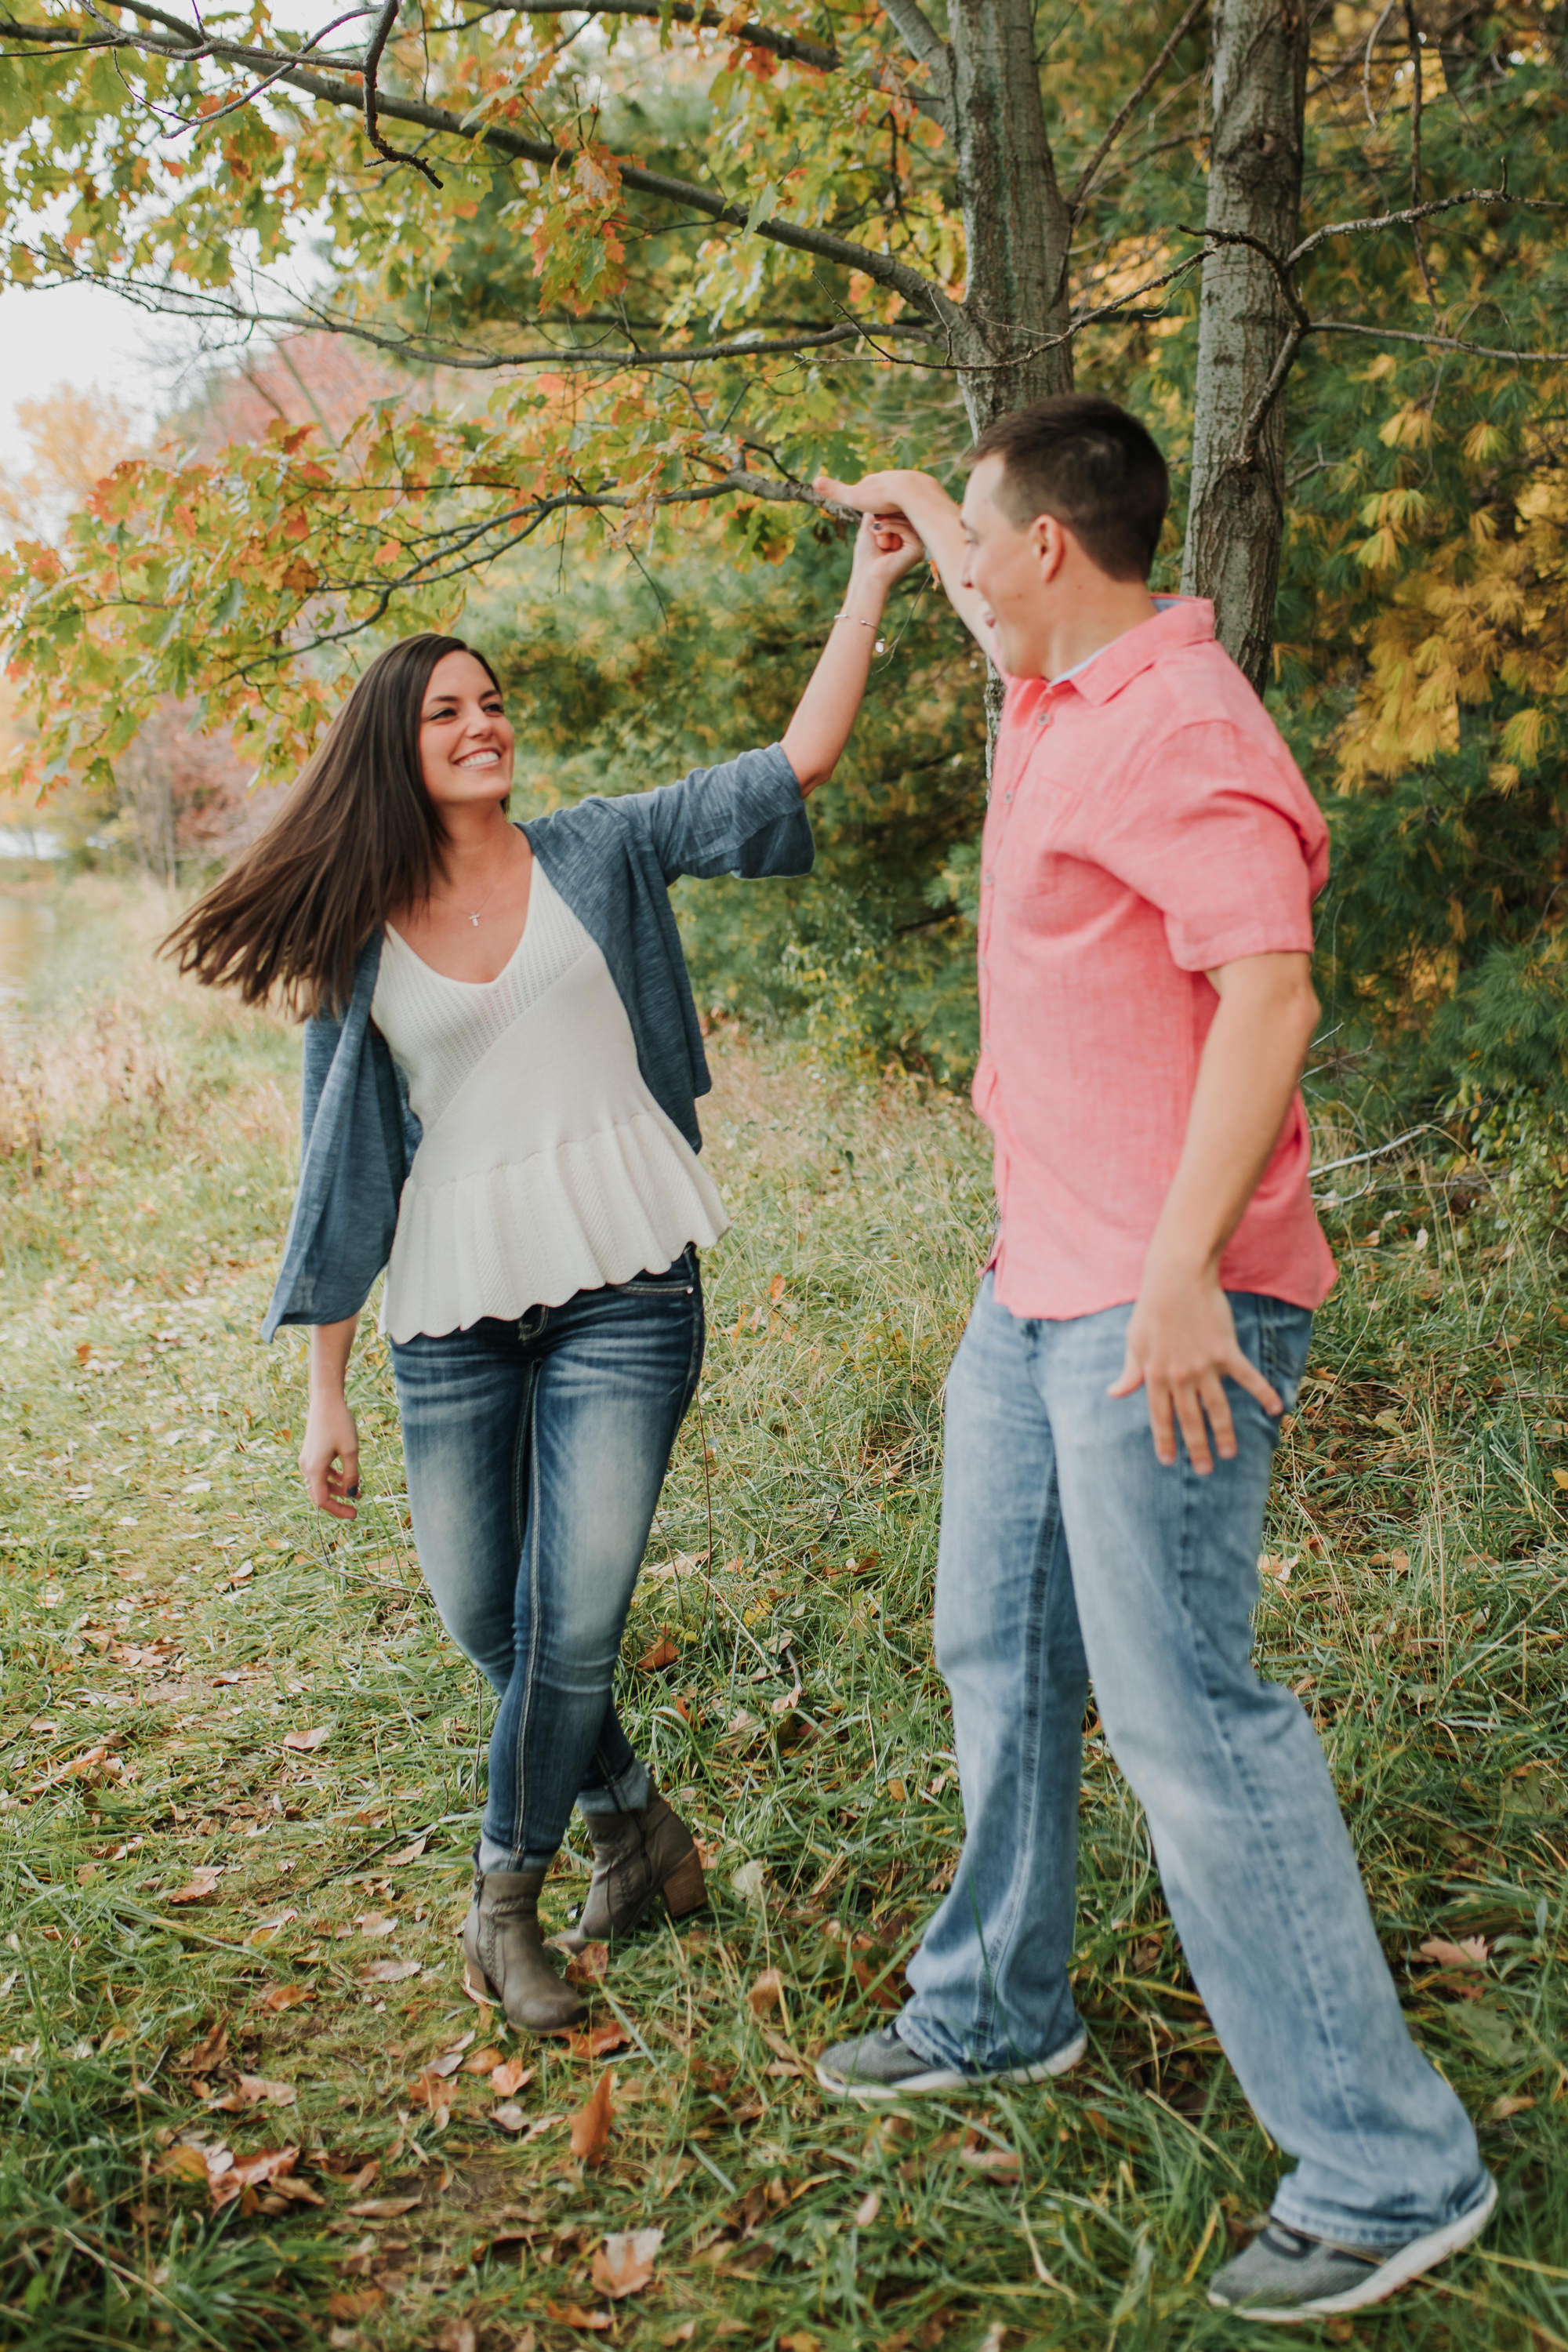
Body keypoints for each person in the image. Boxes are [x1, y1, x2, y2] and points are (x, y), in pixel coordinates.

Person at [810, 397, 1494, 2325]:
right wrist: (900, 504)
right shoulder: (1064, 682)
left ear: (1054, 550)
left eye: (978, 539)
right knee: (997, 1643)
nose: (966, 569)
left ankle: (1385, 2170)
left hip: (1159, 1303)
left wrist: (1188, 1265)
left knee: (1191, 1720)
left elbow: (1269, 991)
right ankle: (995, 2007)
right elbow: (970, 575)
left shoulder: (1184, 729)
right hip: (1040, 1279)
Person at [164, 509, 921, 2033]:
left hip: (625, 1276)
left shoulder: (602, 848)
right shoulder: (356, 936)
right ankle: (637, 1826)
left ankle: (502, 1900)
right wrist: (325, 1393)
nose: (483, 721)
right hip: (449, 1306)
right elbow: (336, 1173)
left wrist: (871, 582)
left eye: (493, 699)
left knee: (569, 1618)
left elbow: (790, 773)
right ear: (398, 744)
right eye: (447, 709)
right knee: (484, 1618)